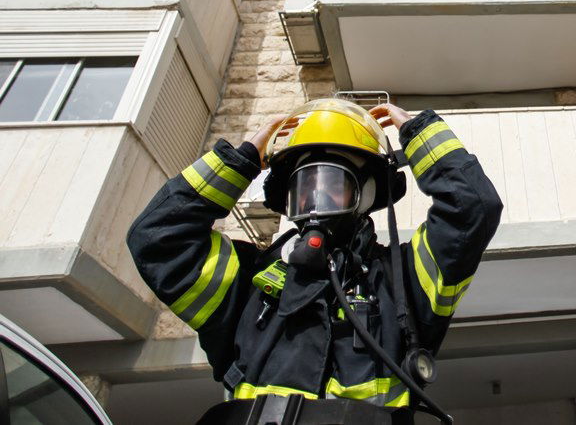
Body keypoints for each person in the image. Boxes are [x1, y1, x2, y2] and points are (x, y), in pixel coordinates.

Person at [126, 99, 503, 424]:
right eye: (304, 185)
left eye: (332, 183)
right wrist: (241, 160)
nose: (315, 198)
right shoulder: (245, 283)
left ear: (366, 192)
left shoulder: (404, 281)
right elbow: (157, 235)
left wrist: (420, 134)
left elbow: (473, 209)